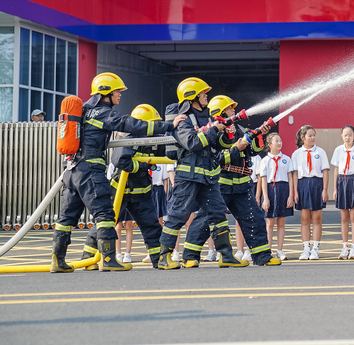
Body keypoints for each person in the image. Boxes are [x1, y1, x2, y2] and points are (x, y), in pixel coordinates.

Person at [50, 73, 179, 273]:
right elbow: (133, 124)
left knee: (67, 217)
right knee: (105, 214)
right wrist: (169, 125)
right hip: (90, 170)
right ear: (106, 93)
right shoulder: (102, 113)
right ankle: (109, 259)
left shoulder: (84, 111)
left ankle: (57, 261)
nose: (120, 95)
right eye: (118, 91)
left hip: (72, 170)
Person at [156, 77, 248, 270]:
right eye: (203, 93)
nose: (207, 95)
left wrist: (225, 134)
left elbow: (215, 146)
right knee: (179, 215)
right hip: (188, 176)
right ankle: (163, 257)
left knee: (218, 213)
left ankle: (226, 255)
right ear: (192, 97)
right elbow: (192, 143)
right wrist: (214, 129)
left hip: (208, 175)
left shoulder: (207, 118)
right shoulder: (183, 120)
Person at [181, 95, 278, 267]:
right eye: (230, 108)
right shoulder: (213, 130)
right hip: (221, 184)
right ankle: (190, 256)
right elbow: (215, 158)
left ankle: (262, 256)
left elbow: (253, 152)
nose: (234, 110)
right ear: (220, 112)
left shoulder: (238, 128)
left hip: (242, 183)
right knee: (205, 219)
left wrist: (259, 136)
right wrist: (236, 149)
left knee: (253, 218)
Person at [83, 104, 170, 269]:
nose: (154, 129)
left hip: (141, 191)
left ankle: (158, 259)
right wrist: (145, 166)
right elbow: (120, 161)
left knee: (151, 225)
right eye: (151, 124)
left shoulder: (157, 141)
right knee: (105, 223)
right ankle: (88, 258)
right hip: (119, 191)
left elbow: (162, 157)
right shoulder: (129, 140)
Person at [292, 125, 330, 260]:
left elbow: (325, 171)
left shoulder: (321, 152)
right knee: (304, 219)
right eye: (310, 135)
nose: (313, 138)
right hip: (302, 184)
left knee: (317, 219)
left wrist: (325, 189)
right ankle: (306, 248)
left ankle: (315, 248)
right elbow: (295, 174)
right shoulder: (296, 154)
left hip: (316, 184)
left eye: (314, 135)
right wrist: (295, 191)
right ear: (303, 138)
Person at [258, 132, 295, 261]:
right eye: (276, 141)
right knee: (269, 222)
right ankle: (268, 250)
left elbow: (290, 178)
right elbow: (263, 179)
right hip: (270, 189)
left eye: (280, 140)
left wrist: (290, 195)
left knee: (281, 221)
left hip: (283, 189)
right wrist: (265, 198)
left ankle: (280, 250)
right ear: (269, 144)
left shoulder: (287, 159)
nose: (279, 143)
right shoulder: (265, 160)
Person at [331, 125, 354, 260]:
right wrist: (335, 189)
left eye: (350, 135)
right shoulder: (338, 150)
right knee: (344, 217)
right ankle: (345, 246)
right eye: (345, 135)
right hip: (342, 181)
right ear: (341, 136)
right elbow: (336, 170)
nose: (347, 137)